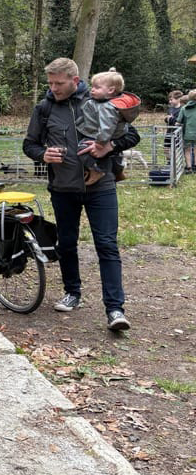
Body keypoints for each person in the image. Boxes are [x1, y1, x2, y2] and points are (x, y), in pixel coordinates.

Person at [22, 57, 140, 332]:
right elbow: (30, 144)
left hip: (101, 187)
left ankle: (115, 309)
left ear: (75, 81)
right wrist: (43, 155)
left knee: (107, 245)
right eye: (50, 83)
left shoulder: (101, 101)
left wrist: (108, 147)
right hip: (63, 188)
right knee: (66, 243)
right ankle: (72, 292)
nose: (53, 88)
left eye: (59, 83)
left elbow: (132, 136)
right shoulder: (44, 108)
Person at [74, 69, 141, 185]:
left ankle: (94, 171)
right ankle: (118, 170)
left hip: (103, 136)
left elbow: (107, 127)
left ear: (111, 90)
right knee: (115, 154)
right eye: (92, 86)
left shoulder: (107, 107)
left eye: (97, 87)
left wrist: (102, 143)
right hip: (117, 134)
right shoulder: (113, 103)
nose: (92, 89)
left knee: (81, 148)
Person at [175, 90, 196, 173]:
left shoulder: (184, 108)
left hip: (187, 133)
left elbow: (178, 122)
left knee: (187, 150)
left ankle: (189, 167)